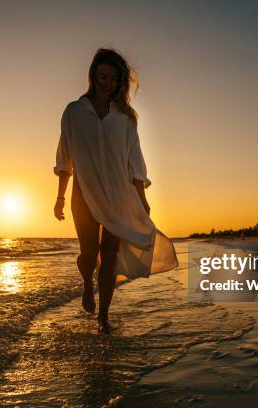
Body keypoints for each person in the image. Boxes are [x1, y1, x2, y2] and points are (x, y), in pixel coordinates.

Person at [53, 48, 178, 333]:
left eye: (113, 78)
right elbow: (64, 158)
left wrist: (142, 198)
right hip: (83, 194)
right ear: (92, 76)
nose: (107, 82)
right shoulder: (73, 112)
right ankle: (87, 283)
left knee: (109, 257)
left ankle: (104, 316)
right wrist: (59, 197)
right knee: (88, 253)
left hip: (119, 195)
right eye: (102, 76)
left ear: (120, 81)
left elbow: (135, 160)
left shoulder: (126, 117)